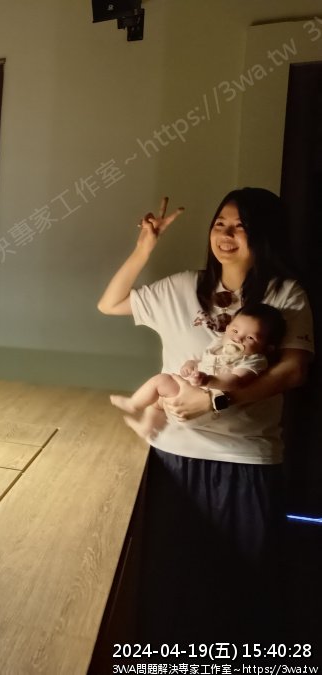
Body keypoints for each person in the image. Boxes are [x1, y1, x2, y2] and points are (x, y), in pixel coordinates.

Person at [97, 189, 314, 645]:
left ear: (264, 234)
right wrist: (143, 248)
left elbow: (293, 370)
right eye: (220, 224)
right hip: (172, 458)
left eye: (240, 226)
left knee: (241, 591)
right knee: (171, 586)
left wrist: (217, 400)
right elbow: (110, 304)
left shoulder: (285, 293)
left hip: (245, 460)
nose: (226, 234)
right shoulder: (182, 286)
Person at [110, 302, 286, 439]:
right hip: (190, 396)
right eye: (235, 330)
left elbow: (236, 381)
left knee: (161, 380)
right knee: (158, 400)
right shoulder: (218, 344)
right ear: (227, 327)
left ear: (267, 347)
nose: (238, 338)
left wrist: (208, 380)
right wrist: (191, 365)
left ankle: (133, 404)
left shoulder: (254, 360)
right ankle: (146, 427)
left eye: (250, 338)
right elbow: (203, 361)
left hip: (207, 409)